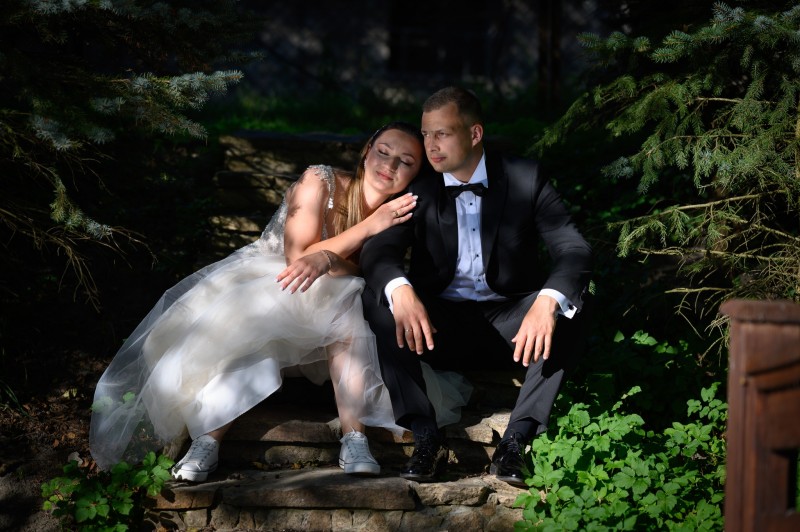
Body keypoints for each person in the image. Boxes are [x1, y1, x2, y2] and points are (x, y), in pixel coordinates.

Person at [89, 121, 469, 482]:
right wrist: (369, 226)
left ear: (416, 173)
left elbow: (369, 272)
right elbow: (297, 258)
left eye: (406, 162)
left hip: (334, 309)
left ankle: (354, 439)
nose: (390, 166)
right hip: (276, 281)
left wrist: (340, 255)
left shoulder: (401, 210)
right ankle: (207, 440)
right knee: (271, 313)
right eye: (383, 152)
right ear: (367, 151)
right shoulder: (320, 180)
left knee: (349, 299)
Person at [360, 87, 593, 487]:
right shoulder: (420, 185)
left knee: (573, 303)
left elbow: (573, 248)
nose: (430, 146)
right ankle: (426, 436)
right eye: (426, 134)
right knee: (378, 297)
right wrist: (400, 288)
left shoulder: (524, 177)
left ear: (474, 133)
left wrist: (546, 302)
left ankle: (517, 440)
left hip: (513, 330)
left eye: (442, 134)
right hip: (437, 329)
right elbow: (380, 251)